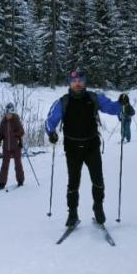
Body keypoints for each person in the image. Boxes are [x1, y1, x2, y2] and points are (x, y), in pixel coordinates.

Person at [46, 69, 122, 227]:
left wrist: (122, 103)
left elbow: (112, 108)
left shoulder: (94, 98)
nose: (77, 83)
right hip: (72, 148)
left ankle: (98, 207)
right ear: (69, 83)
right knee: (73, 182)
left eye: (80, 80)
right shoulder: (63, 101)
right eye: (74, 81)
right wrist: (51, 133)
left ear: (84, 81)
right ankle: (72, 213)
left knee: (98, 180)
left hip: (91, 146)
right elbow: (50, 121)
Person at [0, 103, 25, 188]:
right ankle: (2, 183)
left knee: (18, 164)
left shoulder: (16, 120)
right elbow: (1, 134)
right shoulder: (3, 122)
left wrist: (16, 134)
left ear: (12, 113)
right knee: (4, 165)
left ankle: (20, 181)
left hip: (16, 146)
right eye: (7, 113)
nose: (8, 115)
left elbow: (22, 132)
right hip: (6, 147)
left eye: (9, 113)